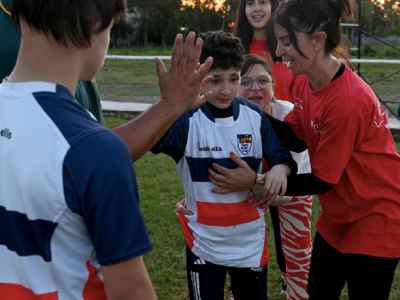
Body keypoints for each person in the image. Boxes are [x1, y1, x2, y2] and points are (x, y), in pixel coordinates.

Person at [0, 0, 212, 299]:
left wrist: (169, 107)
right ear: (96, 27)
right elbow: (132, 292)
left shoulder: (82, 141)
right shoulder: (92, 148)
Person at [211, 0, 400, 299]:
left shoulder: (347, 101)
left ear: (317, 41)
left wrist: (256, 182)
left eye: (287, 41)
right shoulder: (304, 82)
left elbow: (322, 180)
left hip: (376, 219)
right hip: (338, 217)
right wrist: (249, 111)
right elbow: (297, 137)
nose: (279, 50)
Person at [152, 30, 297, 300]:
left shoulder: (254, 116)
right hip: (203, 245)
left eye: (233, 78)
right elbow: (153, 140)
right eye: (215, 80)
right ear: (200, 77)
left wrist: (280, 169)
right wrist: (169, 106)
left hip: (249, 244)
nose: (226, 89)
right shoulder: (188, 120)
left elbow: (281, 157)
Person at [239, 54, 313, 300]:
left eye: (263, 81)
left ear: (273, 86)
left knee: (295, 250)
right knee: (242, 247)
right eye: (246, 82)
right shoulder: (229, 118)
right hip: (248, 190)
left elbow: (298, 167)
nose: (255, 88)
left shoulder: (289, 114)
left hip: (294, 188)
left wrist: (261, 185)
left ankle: (296, 288)